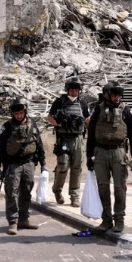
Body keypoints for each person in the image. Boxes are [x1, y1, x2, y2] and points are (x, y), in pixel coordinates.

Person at [85, 80, 132, 233]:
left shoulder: (126, 110)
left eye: (119, 95)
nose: (117, 98)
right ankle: (106, 219)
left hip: (118, 152)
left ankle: (119, 220)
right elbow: (91, 134)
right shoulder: (98, 110)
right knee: (103, 187)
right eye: (114, 94)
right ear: (107, 95)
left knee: (119, 188)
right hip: (100, 152)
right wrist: (89, 156)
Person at [0, 96, 47, 235]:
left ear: (25, 111)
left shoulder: (33, 125)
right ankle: (13, 222)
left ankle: (24, 219)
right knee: (11, 192)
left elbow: (39, 145)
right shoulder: (6, 127)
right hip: (12, 164)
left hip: (29, 163)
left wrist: (43, 165)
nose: (18, 116)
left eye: (21, 113)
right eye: (16, 113)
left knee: (26, 192)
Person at [46, 76, 90, 207]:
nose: (74, 92)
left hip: (78, 139)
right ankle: (57, 190)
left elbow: (87, 120)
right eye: (72, 89)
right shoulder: (59, 102)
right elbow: (49, 117)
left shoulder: (83, 103)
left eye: (76, 90)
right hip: (63, 139)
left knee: (77, 168)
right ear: (67, 89)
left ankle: (74, 196)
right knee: (63, 165)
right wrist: (58, 124)